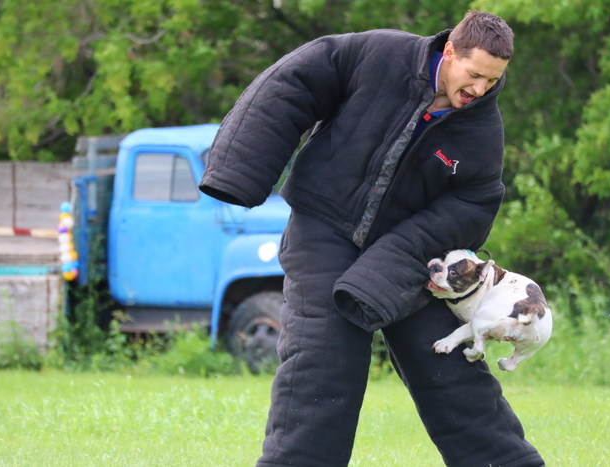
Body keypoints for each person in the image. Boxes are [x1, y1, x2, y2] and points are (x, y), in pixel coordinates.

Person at [199, 10, 545, 467]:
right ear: (450, 52)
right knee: (324, 359)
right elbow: (293, 82)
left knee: (449, 367)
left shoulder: (482, 131)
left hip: (408, 256)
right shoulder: (380, 54)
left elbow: (472, 206)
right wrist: (238, 173)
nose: (480, 90)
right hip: (323, 226)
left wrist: (388, 264)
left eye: (492, 81)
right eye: (474, 74)